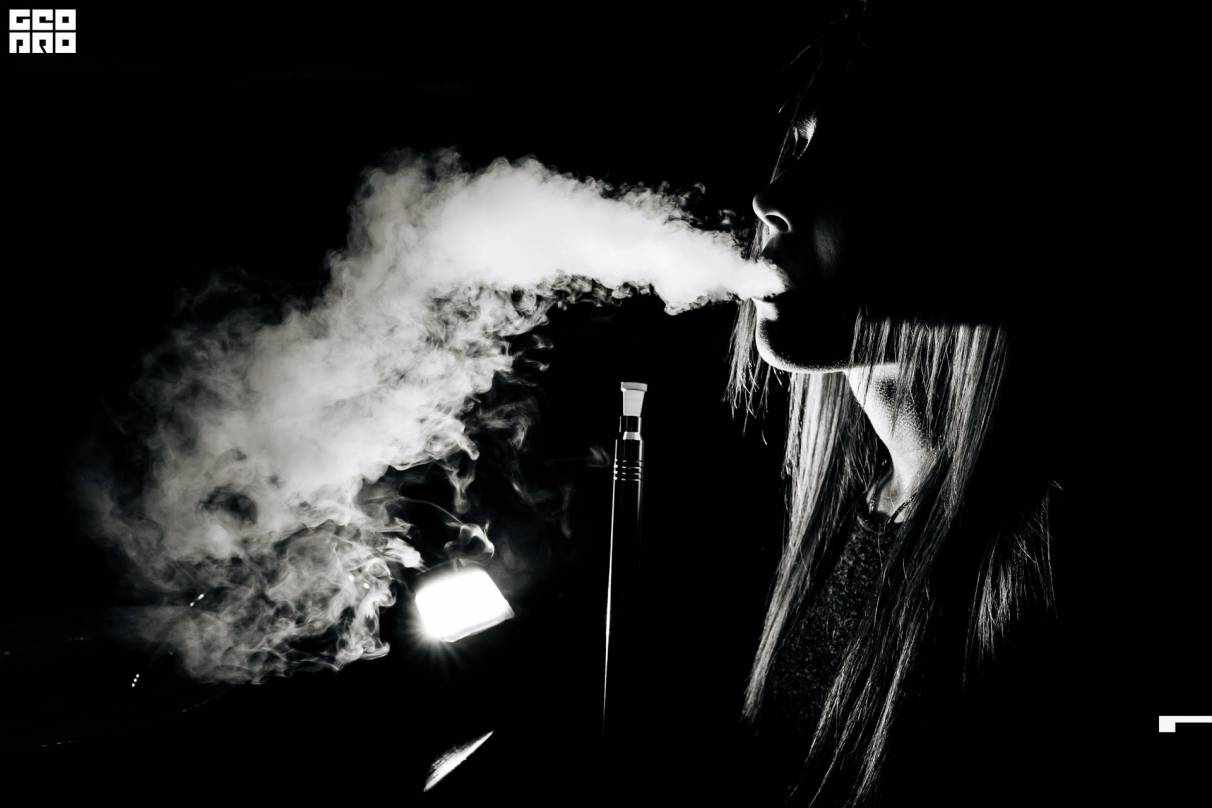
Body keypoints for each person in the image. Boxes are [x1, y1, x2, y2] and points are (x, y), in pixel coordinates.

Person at [726, 3, 1073, 805]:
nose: (771, 196)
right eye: (799, 147)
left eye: (849, 155)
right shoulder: (855, 502)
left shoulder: (1049, 549)